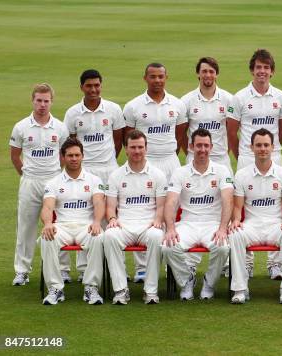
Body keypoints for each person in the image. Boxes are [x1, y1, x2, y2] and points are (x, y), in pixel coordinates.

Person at [226, 49, 282, 278]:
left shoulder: (280, 97)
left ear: (272, 71)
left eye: (266, 67)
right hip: (246, 157)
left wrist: (273, 149)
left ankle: (275, 264)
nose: (262, 72)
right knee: (242, 207)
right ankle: (247, 263)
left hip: (274, 155)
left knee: (275, 203)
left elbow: (281, 130)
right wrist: (241, 154)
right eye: (258, 67)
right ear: (252, 70)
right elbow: (232, 131)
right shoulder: (239, 97)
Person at [123, 62, 186, 283]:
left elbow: (180, 136)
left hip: (170, 161)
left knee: (173, 212)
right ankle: (143, 267)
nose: (157, 80)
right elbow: (129, 138)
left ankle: (172, 261)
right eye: (152, 76)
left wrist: (169, 156)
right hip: (145, 164)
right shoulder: (133, 106)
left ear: (166, 77)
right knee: (144, 212)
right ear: (145, 78)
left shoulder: (177, 104)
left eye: (161, 76)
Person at [64, 69, 125, 282]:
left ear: (101, 85)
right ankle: (84, 269)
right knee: (87, 217)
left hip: (109, 168)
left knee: (112, 216)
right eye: (89, 86)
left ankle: (115, 266)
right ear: (82, 87)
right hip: (85, 170)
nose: (93, 89)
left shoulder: (113, 109)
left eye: (97, 85)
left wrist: (107, 162)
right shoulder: (73, 113)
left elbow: (118, 141)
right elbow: (72, 144)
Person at [229, 128, 282, 304]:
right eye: (258, 145)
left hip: (276, 225)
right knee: (235, 234)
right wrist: (236, 220)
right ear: (251, 147)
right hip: (252, 225)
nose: (262, 149)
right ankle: (240, 289)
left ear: (273, 147)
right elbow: (237, 206)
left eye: (266, 145)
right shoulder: (242, 175)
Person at [10, 83, 70, 286]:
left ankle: (62, 269)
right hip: (30, 182)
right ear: (32, 100)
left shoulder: (60, 127)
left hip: (53, 183)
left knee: (58, 225)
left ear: (51, 101)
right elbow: (15, 156)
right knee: (26, 227)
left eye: (46, 101)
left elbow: (64, 156)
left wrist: (54, 175)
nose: (42, 105)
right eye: (39, 100)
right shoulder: (21, 127)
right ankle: (22, 271)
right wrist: (26, 174)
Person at [163, 128, 232, 301]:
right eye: (199, 145)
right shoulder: (180, 172)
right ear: (191, 146)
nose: (202, 149)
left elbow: (228, 200)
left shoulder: (222, 170)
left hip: (213, 224)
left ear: (211, 147)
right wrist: (170, 228)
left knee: (223, 247)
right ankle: (187, 280)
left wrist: (223, 228)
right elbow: (171, 202)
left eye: (206, 145)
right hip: (188, 224)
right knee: (167, 246)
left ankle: (209, 282)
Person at [103, 130, 167, 305]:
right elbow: (110, 208)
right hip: (124, 226)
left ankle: (151, 291)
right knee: (109, 236)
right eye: (133, 147)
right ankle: (121, 290)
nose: (137, 151)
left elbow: (161, 206)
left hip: (148, 226)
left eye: (140, 147)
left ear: (146, 148)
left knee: (156, 236)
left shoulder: (157, 175)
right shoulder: (116, 175)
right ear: (126, 148)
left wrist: (158, 219)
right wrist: (112, 219)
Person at [40, 138, 105, 305]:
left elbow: (99, 203)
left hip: (86, 226)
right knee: (47, 238)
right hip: (62, 227)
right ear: (63, 157)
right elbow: (47, 207)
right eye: (70, 155)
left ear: (83, 156)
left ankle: (91, 287)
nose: (74, 159)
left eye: (77, 155)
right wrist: (48, 224)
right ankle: (55, 288)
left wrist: (97, 222)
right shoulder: (53, 183)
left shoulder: (94, 180)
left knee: (98, 237)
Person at [180, 57, 233, 172]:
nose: (208, 75)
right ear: (198, 74)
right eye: (204, 71)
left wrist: (223, 152)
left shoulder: (229, 99)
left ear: (217, 74)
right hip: (194, 159)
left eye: (211, 71)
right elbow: (181, 134)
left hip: (221, 160)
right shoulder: (186, 100)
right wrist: (193, 151)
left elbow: (232, 131)